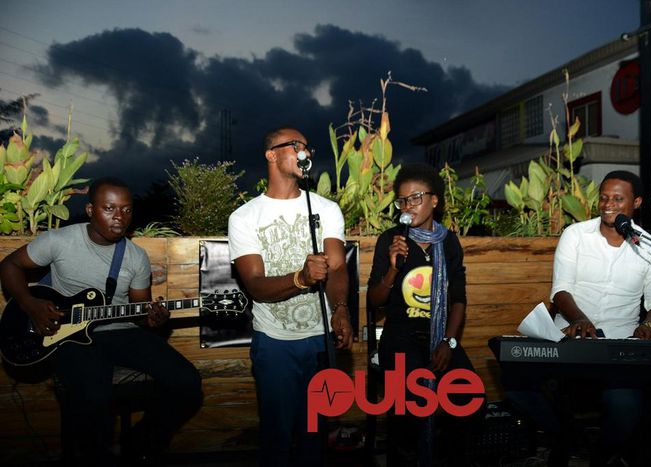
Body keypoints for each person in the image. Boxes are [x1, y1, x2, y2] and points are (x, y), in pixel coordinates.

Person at [0, 177, 202, 466]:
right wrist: (29, 304)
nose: (119, 217)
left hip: (121, 331)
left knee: (187, 382)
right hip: (68, 335)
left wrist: (154, 318)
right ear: (91, 210)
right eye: (109, 208)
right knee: (95, 397)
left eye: (126, 210)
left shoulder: (135, 256)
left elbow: (140, 311)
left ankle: (139, 445)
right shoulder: (59, 241)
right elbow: (9, 265)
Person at [506, 170, 651, 467]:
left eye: (618, 199)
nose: (608, 205)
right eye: (604, 198)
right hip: (570, 337)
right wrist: (581, 320)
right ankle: (566, 437)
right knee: (516, 383)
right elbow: (561, 290)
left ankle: (599, 457)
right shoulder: (576, 235)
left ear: (636, 202)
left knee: (625, 404)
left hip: (619, 343)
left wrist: (647, 325)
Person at [227, 126, 353, 467]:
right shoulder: (244, 217)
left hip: (320, 340)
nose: (305, 152)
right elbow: (255, 284)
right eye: (296, 145)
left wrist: (341, 308)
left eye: (307, 147)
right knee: (277, 436)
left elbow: (337, 267)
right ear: (271, 155)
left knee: (315, 433)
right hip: (275, 343)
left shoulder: (326, 208)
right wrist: (301, 278)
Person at [367, 163, 484, 467]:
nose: (408, 206)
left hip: (441, 338)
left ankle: (442, 456)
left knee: (472, 400)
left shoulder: (449, 242)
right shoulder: (391, 240)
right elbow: (374, 301)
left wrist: (449, 342)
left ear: (435, 200)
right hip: (400, 339)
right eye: (403, 201)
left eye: (416, 198)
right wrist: (393, 268)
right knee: (409, 407)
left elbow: (458, 299)